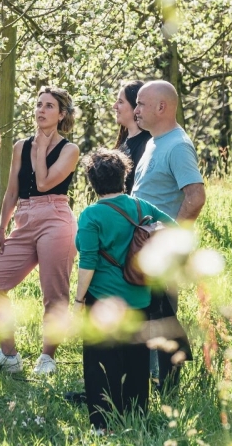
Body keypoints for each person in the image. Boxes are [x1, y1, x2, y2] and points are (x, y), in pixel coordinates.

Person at [73, 149, 175, 432]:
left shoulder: (91, 215)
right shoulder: (141, 206)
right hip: (140, 298)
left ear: (92, 181)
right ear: (124, 176)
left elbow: (88, 262)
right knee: (137, 363)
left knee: (100, 363)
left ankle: (102, 425)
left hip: (103, 303)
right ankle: (136, 420)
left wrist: (79, 300)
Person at [0, 86, 80, 375]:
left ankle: (47, 358)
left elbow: (45, 183)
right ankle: (9, 355)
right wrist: (1, 230)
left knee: (54, 293)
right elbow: (12, 191)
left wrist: (42, 147)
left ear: (61, 115)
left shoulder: (70, 150)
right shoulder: (20, 147)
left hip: (55, 218)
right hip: (24, 219)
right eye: (38, 104)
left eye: (49, 106)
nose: (41, 110)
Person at [133, 80, 206, 390]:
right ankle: (144, 383)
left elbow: (196, 197)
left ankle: (167, 390)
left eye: (141, 104)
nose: (136, 110)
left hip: (159, 250)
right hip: (141, 247)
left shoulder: (177, 146)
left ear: (161, 107)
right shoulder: (154, 141)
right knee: (145, 314)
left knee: (161, 316)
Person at [113, 80, 151, 194]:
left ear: (135, 106)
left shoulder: (148, 144)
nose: (114, 106)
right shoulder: (123, 141)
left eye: (120, 102)